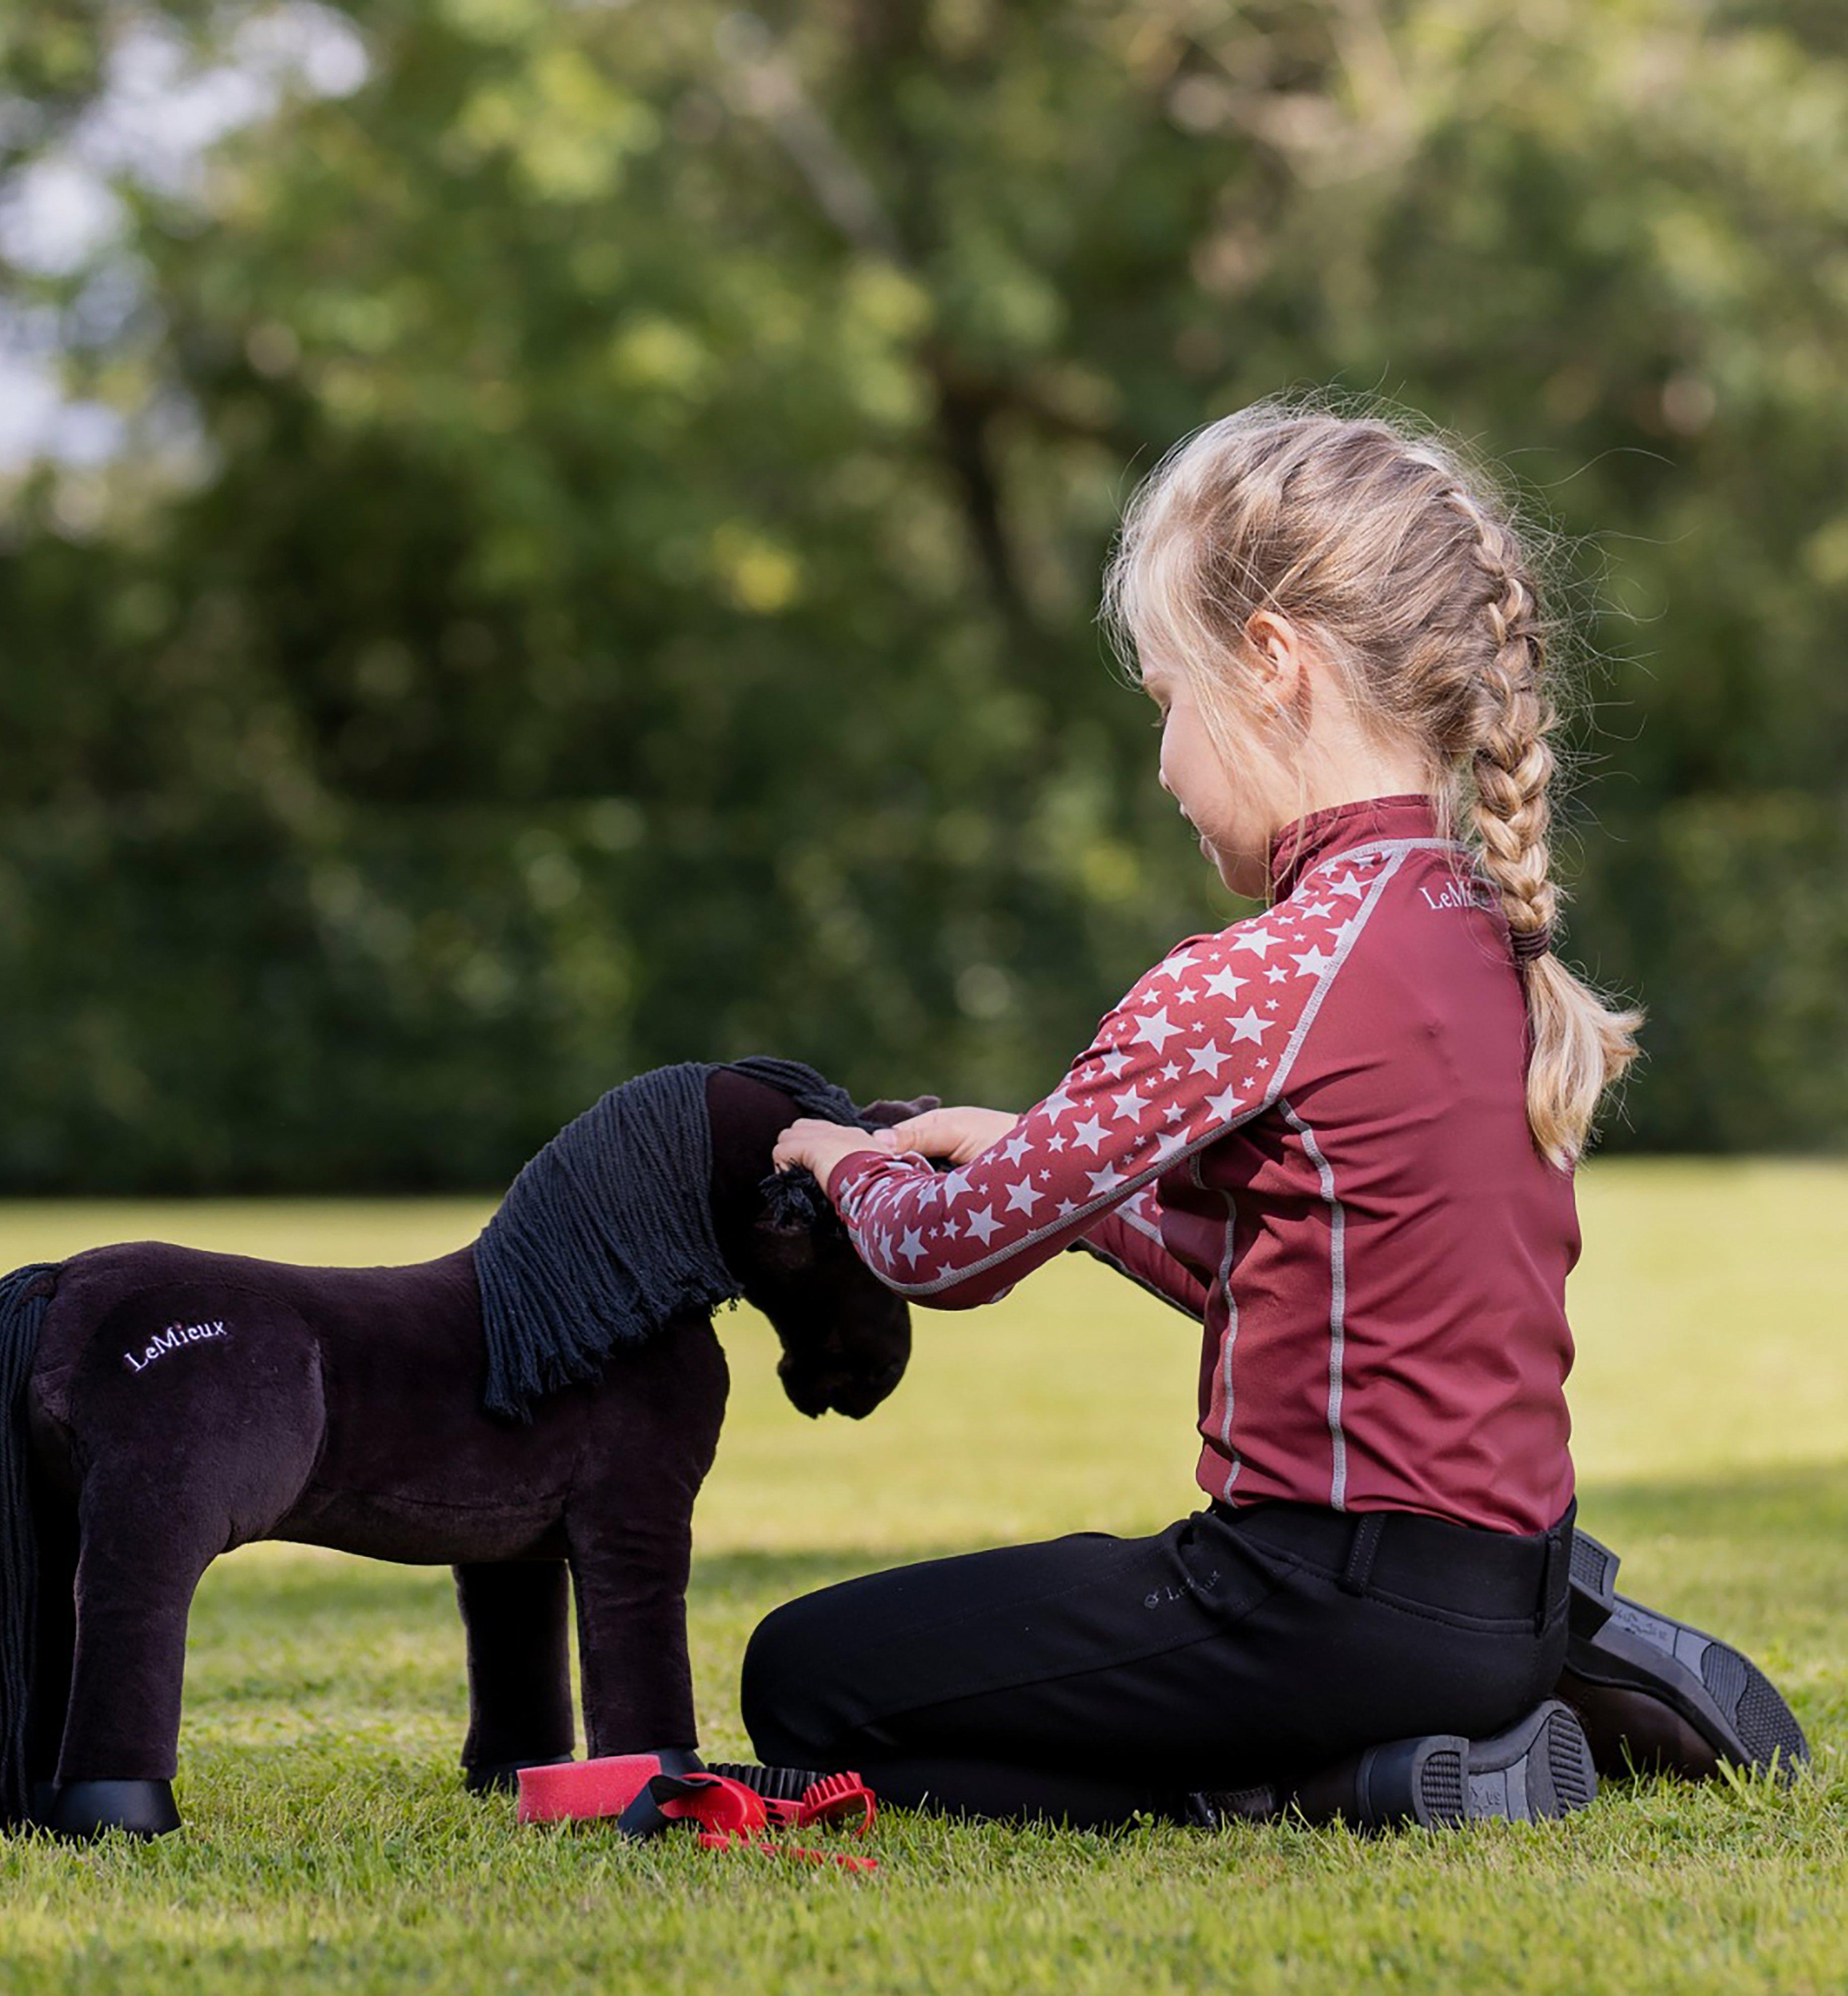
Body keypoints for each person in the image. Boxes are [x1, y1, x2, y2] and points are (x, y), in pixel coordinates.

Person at [750, 400, 1806, 1829]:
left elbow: (945, 1254)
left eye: (1168, 706)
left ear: (1271, 665)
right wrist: (1032, 1158)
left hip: (1310, 1602)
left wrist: (845, 1158)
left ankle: (1309, 1786)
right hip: (1492, 1584)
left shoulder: (1263, 974)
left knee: (805, 1680)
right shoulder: (1481, 933)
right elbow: (1282, 1280)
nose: (1166, 766)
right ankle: (1521, 1679)